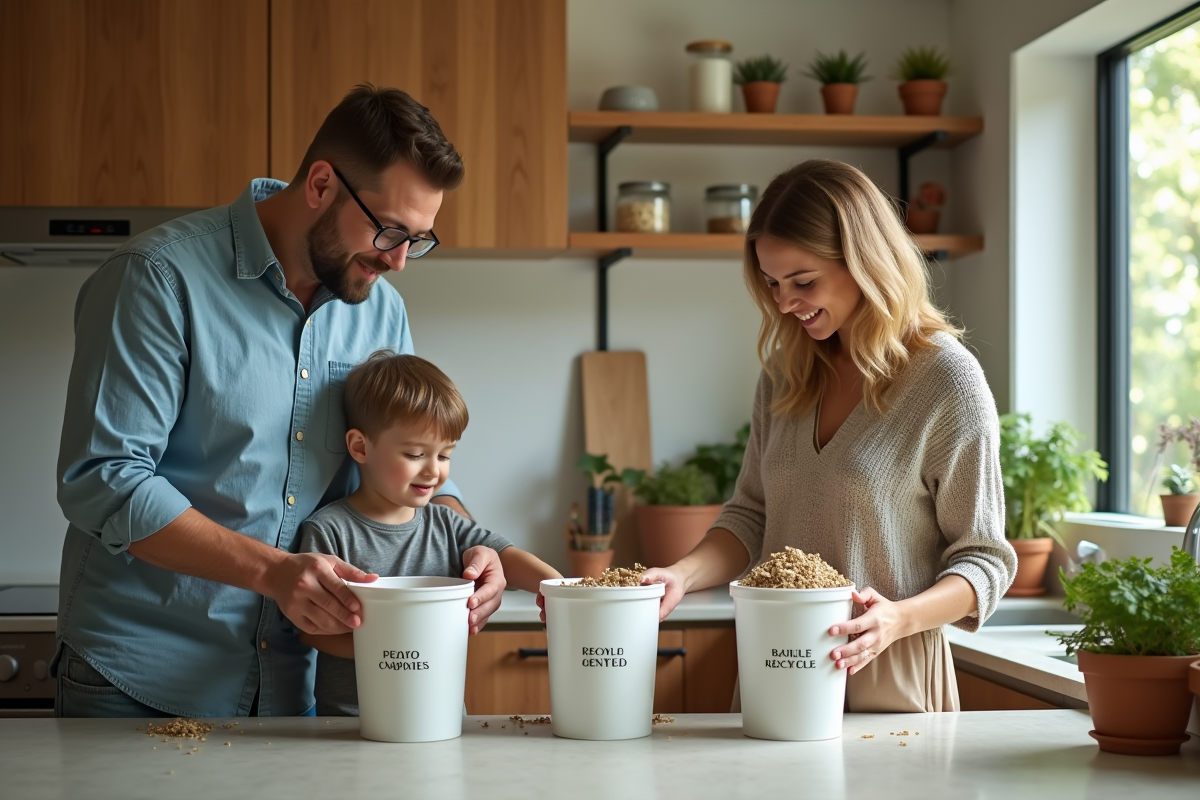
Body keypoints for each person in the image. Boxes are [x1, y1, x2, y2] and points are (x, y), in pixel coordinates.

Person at [53, 85, 508, 718]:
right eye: (389, 230)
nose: (400, 261)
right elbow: (104, 480)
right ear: (321, 184)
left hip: (294, 685)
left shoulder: (381, 312)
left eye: (420, 239)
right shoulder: (157, 277)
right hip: (140, 681)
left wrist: (466, 543)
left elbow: (390, 466)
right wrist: (270, 571)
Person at [641, 159, 1017, 712]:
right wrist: (679, 574)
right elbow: (750, 515)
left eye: (803, 281)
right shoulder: (784, 373)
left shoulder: (945, 381)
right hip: (776, 668)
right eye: (772, 283)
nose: (784, 303)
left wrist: (895, 619)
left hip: (889, 674)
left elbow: (985, 559)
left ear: (865, 262)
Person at [297, 351, 561, 715]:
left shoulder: (446, 523)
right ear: (360, 447)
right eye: (415, 453)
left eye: (444, 455)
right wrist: (401, 642)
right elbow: (311, 630)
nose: (434, 472)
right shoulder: (328, 532)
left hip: (442, 717)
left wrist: (561, 589)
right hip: (351, 726)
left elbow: (505, 557)